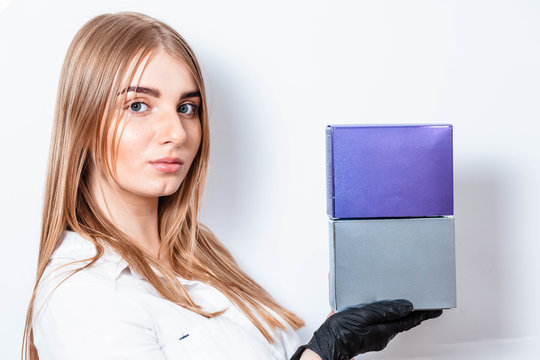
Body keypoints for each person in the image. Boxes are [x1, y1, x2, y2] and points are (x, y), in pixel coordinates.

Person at [22, 11, 441, 360]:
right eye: (138, 105)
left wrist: (334, 329)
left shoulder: (204, 255)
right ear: (83, 123)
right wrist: (323, 353)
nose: (177, 132)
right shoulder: (80, 295)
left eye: (187, 108)